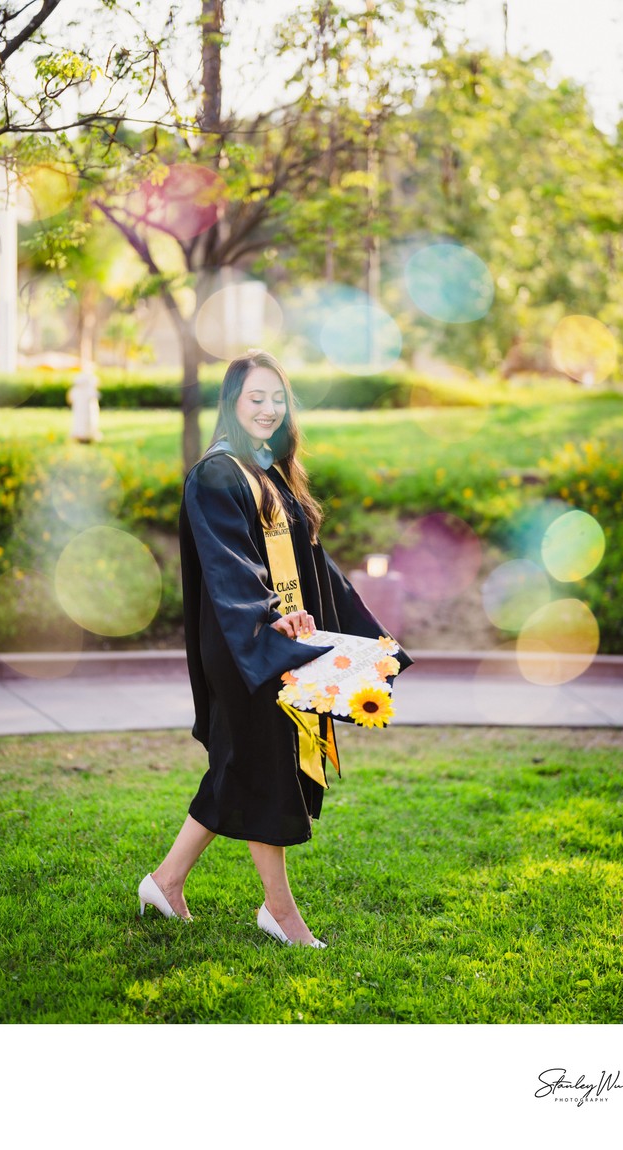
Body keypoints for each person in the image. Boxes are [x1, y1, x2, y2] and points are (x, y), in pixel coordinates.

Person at [138, 349, 412, 947]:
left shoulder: (268, 473)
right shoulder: (216, 474)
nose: (267, 409)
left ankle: (165, 881)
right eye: (255, 398)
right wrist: (271, 617)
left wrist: (363, 637)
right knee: (265, 765)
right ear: (232, 404)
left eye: (277, 398)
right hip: (246, 645)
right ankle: (280, 913)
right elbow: (230, 566)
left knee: (241, 765)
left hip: (276, 639)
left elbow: (313, 565)